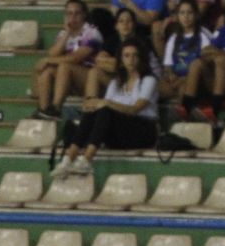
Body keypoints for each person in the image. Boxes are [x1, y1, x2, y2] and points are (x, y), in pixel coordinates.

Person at [54, 43, 158, 178]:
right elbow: (103, 107)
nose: (131, 59)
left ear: (141, 59)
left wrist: (106, 103)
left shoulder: (148, 80)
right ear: (121, 60)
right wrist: (93, 105)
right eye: (127, 56)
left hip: (144, 131)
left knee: (105, 109)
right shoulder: (116, 83)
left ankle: (86, 160)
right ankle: (68, 159)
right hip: (120, 134)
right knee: (94, 110)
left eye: (135, 56)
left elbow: (135, 109)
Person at [31, 0, 105, 120]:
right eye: (69, 13)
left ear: (84, 15)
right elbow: (52, 55)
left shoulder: (92, 32)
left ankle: (56, 108)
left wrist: (48, 60)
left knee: (65, 66)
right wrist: (67, 34)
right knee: (47, 70)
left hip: (90, 79)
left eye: (77, 13)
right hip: (69, 80)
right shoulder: (63, 33)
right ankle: (44, 110)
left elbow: (75, 58)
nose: (73, 17)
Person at [160, 0, 216, 120]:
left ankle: (185, 120)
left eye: (189, 13)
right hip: (176, 79)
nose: (186, 16)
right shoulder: (174, 37)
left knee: (183, 87)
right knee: (154, 86)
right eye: (182, 13)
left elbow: (206, 65)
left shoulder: (203, 35)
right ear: (177, 16)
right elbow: (168, 66)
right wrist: (170, 74)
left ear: (196, 15)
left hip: (197, 82)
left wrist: (184, 79)